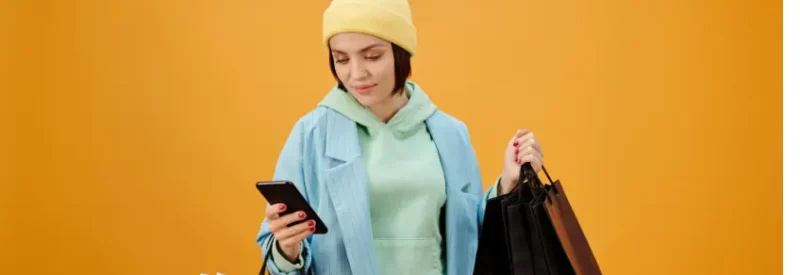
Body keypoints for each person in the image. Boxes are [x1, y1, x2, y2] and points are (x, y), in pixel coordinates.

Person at [256, 0, 545, 274]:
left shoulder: (450, 134)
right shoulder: (311, 135)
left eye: (372, 56)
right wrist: (287, 246)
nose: (357, 73)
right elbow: (278, 258)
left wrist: (507, 182)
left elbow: (470, 241)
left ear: (401, 51)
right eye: (341, 59)